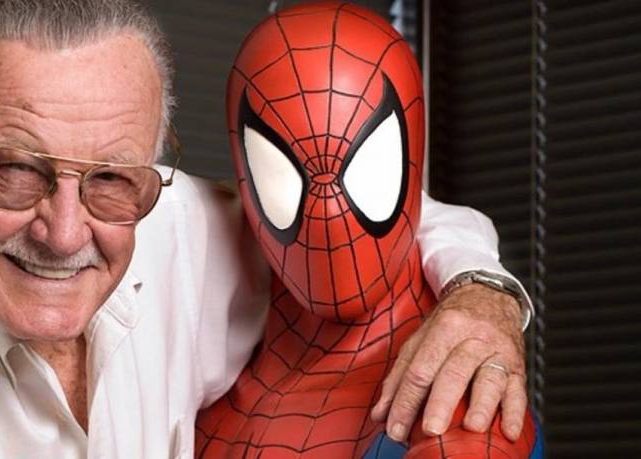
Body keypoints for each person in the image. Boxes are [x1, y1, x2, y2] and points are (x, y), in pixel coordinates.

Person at [0, 1, 532, 457]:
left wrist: (481, 294)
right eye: (17, 170)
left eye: (110, 178)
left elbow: (356, 216)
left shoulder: (170, 223)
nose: (66, 232)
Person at [195, 2, 541, 457]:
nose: (329, 214)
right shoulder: (203, 358)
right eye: (280, 170)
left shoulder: (454, 394)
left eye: (366, 164)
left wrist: (485, 293)